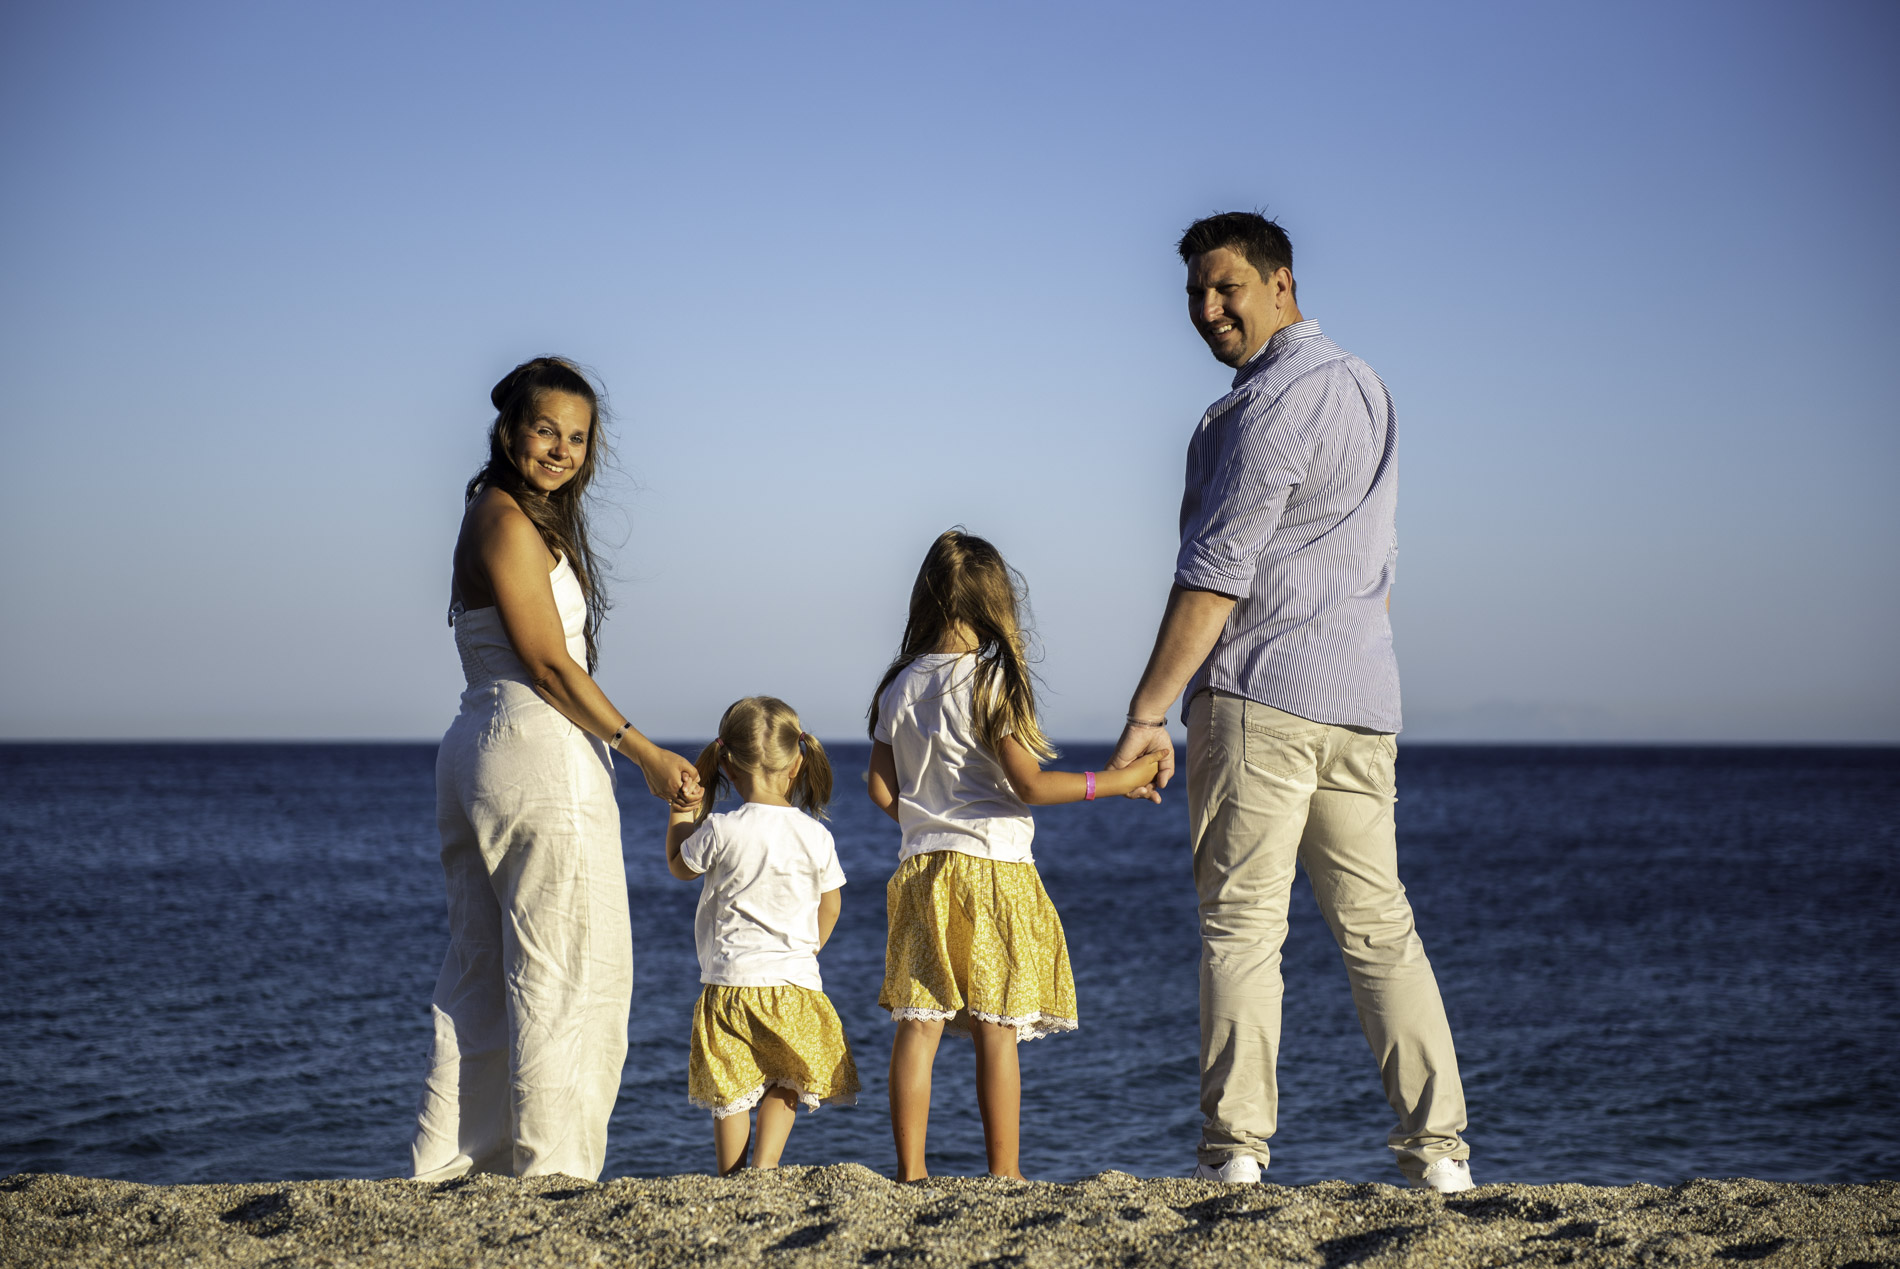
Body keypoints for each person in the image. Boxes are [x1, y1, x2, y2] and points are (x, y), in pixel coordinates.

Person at [1108, 213, 1474, 1192]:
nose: (1207, 308)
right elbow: (1378, 564)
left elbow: (1216, 572)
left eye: (1225, 287)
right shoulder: (1368, 388)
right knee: (1380, 930)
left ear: (1282, 283)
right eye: (1195, 293)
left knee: (1240, 926)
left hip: (1260, 692)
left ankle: (1234, 1155)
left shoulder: (1270, 403)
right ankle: (1441, 1156)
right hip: (1360, 697)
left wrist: (1148, 712)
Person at [413, 356, 701, 1182]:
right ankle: (553, 1175)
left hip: (483, 749)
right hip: (536, 754)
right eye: (546, 430)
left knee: (483, 973)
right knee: (568, 974)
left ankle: (459, 1166)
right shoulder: (507, 522)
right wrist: (644, 751)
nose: (562, 450)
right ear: (509, 430)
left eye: (577, 437)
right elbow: (547, 664)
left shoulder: (490, 513)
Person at [867, 529, 1161, 1181]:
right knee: (995, 1025)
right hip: (993, 870)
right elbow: (1029, 785)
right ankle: (1004, 1173)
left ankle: (910, 1172)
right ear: (996, 601)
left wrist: (929, 823)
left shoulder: (899, 684)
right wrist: (1117, 782)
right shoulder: (992, 678)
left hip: (921, 869)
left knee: (920, 1021)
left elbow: (881, 789)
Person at [663, 696, 861, 1175]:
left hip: (730, 984)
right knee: (787, 1080)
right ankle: (765, 1166)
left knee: (730, 1088)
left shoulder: (721, 829)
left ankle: (730, 1175)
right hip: (794, 985)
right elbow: (832, 904)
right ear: (797, 765)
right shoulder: (816, 835)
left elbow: (678, 866)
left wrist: (680, 811)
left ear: (727, 767)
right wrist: (809, 949)